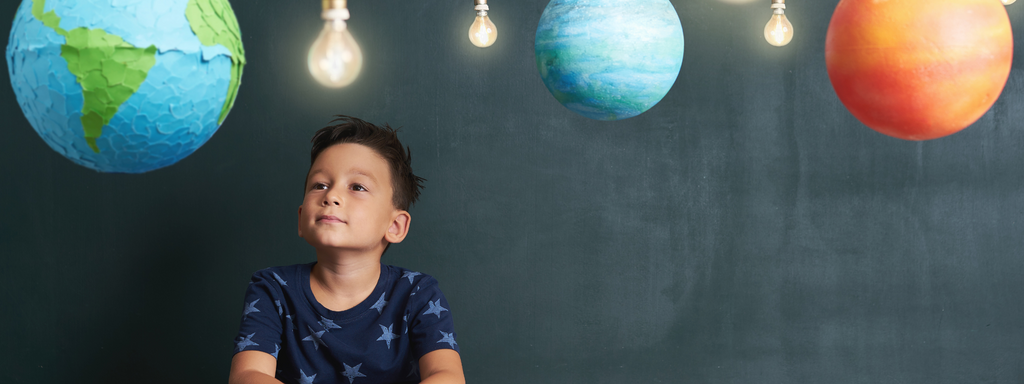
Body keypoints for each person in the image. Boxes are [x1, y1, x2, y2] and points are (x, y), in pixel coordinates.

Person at [228, 116, 464, 384]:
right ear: (301, 218)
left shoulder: (417, 293)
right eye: (320, 185)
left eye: (357, 187)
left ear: (396, 225)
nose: (331, 196)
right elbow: (248, 375)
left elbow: (447, 376)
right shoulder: (273, 288)